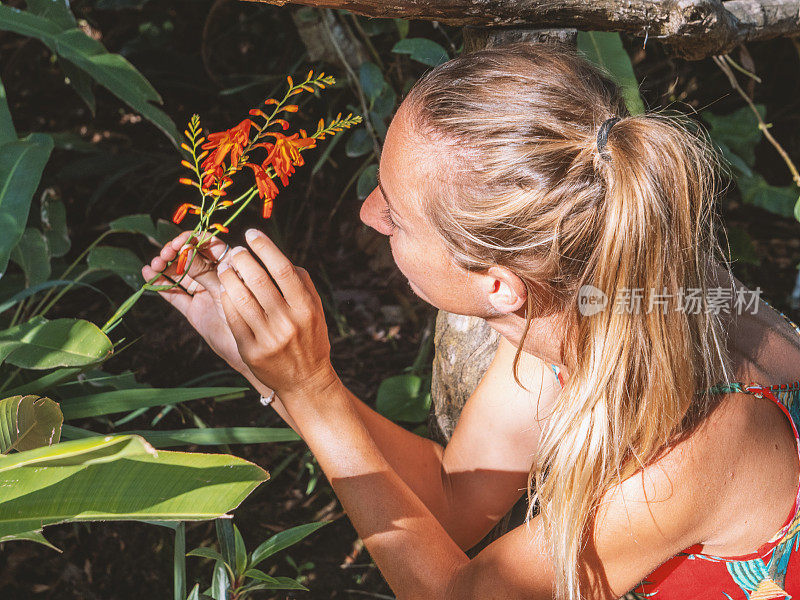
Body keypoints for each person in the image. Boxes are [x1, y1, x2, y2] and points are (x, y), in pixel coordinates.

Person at [143, 43, 800, 599]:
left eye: (396, 213)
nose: (368, 213)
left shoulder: (705, 439)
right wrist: (280, 377)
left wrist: (312, 394)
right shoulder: (581, 311)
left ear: (499, 284)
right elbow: (452, 504)